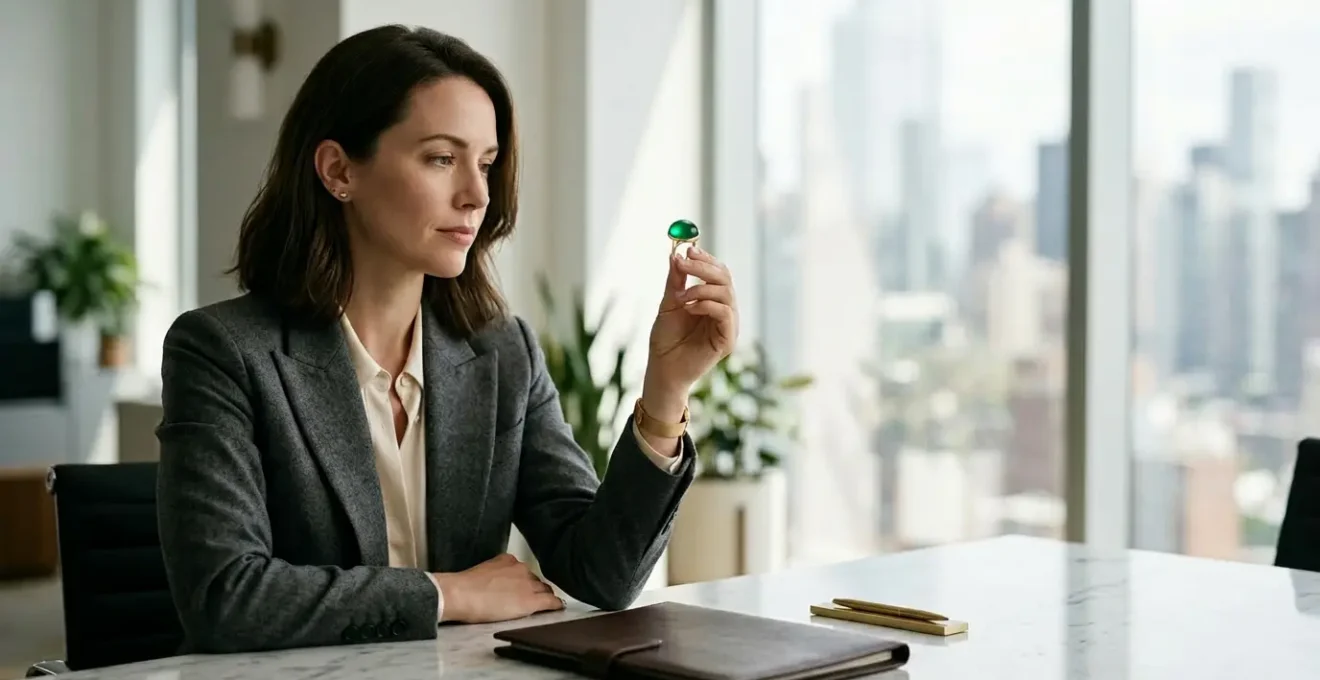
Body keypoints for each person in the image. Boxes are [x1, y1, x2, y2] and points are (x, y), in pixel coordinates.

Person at [154, 25, 738, 654]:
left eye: (486, 163)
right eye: (441, 158)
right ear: (338, 170)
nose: (477, 194)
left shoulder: (502, 352)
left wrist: (666, 392)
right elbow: (225, 596)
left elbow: (602, 572)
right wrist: (446, 593)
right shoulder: (222, 352)